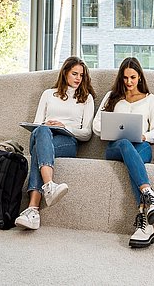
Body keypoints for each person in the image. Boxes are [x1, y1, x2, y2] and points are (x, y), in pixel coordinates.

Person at [93, 57, 154, 248]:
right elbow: (96, 125)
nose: (129, 82)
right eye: (125, 78)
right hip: (116, 147)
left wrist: (144, 136)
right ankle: (149, 195)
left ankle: (145, 224)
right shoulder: (111, 96)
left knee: (134, 154)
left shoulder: (151, 99)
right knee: (125, 142)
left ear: (140, 77)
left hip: (141, 146)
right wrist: (110, 131)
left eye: (133, 77)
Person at [14, 56, 95, 230]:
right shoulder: (48, 94)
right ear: (65, 72)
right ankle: (49, 186)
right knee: (41, 131)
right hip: (43, 136)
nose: (78, 78)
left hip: (68, 142)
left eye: (81, 75)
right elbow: (37, 124)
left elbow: (87, 133)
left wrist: (64, 126)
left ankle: (32, 209)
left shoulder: (86, 99)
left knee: (37, 152)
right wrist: (46, 125)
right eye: (74, 73)